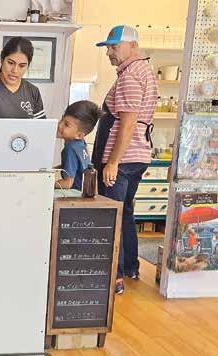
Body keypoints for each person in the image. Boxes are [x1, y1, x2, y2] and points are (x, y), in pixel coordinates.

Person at [93, 25, 158, 294]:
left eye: (114, 46)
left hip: (122, 159)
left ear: (132, 46)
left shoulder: (130, 76)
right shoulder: (144, 71)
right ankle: (131, 266)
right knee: (126, 212)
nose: (109, 52)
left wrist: (112, 162)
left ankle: (115, 277)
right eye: (108, 47)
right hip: (137, 156)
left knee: (113, 215)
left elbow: (128, 123)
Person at [55, 100, 103, 190]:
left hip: (75, 194)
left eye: (66, 125)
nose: (60, 125)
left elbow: (67, 183)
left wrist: (47, 183)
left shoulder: (70, 149)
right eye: (62, 119)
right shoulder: (81, 144)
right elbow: (76, 166)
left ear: (79, 135)